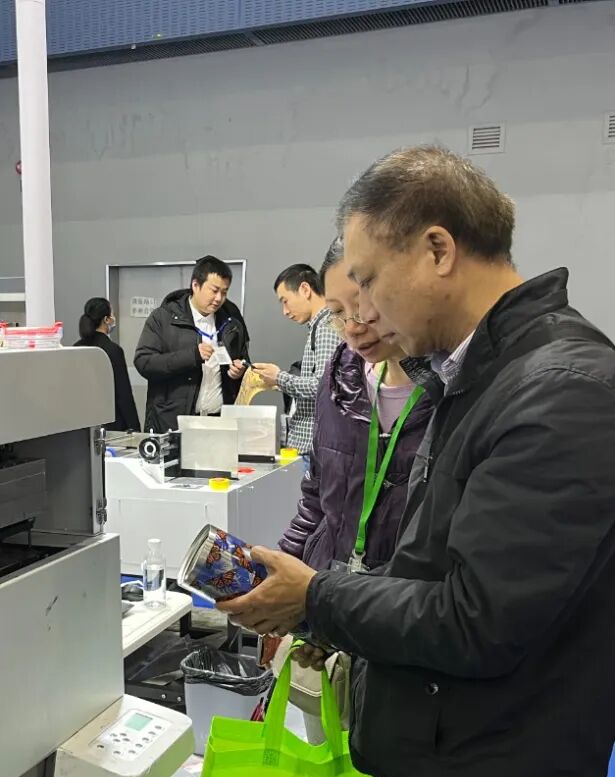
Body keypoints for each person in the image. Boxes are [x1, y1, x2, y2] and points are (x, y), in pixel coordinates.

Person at [219, 146, 615, 777]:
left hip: (494, 766)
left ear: (438, 251)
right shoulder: (476, 377)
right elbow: (431, 567)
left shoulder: (559, 390)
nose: (363, 315)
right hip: (443, 747)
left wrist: (316, 598)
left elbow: (476, 618)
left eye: (368, 282)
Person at [276, 237, 435, 744]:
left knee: (387, 760)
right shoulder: (340, 378)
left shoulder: (449, 391)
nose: (353, 326)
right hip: (327, 609)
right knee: (320, 751)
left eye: (363, 305)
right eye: (337, 312)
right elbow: (317, 496)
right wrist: (285, 577)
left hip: (403, 620)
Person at [134, 255, 250, 432]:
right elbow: (144, 362)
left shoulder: (231, 322)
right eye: (214, 290)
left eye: (224, 292)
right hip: (173, 423)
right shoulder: (163, 318)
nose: (219, 298)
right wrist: (192, 356)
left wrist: (239, 372)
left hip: (218, 422)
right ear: (196, 285)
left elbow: (245, 362)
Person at [249, 264, 338, 461]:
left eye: (285, 301)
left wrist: (279, 378)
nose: (285, 311)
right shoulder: (319, 326)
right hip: (311, 447)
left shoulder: (326, 327)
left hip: (314, 449)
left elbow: (323, 386)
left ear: (305, 289)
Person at [73, 297, 140, 431]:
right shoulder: (113, 350)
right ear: (106, 319)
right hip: (111, 423)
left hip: (82, 421)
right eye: (112, 314)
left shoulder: (76, 348)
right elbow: (123, 393)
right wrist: (134, 427)